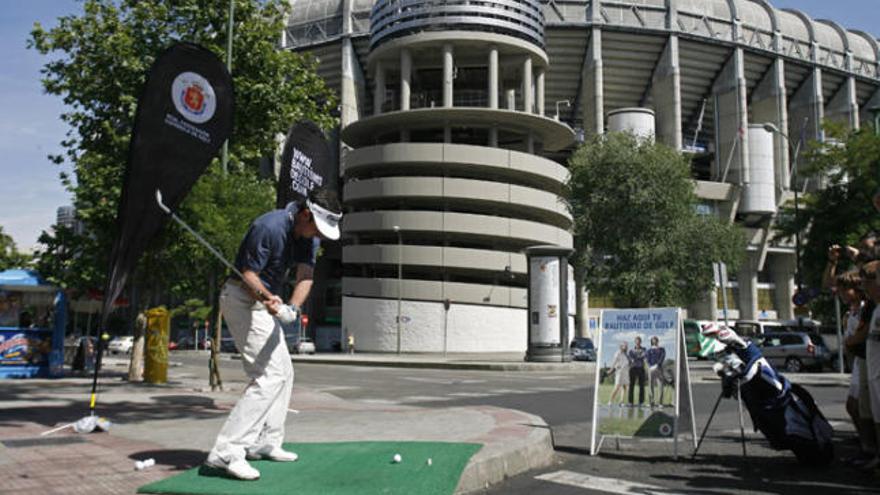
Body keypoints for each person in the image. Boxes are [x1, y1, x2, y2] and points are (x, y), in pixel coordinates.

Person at [205, 187, 342, 481]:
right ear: (306, 214)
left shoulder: (308, 236)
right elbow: (247, 277)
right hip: (240, 299)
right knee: (267, 376)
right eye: (317, 228)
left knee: (285, 372)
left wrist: (292, 307)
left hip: (265, 303)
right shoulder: (269, 226)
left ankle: (266, 442)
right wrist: (269, 298)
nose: (318, 235)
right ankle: (226, 452)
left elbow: (306, 276)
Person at [859, 260, 880, 470]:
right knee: (876, 417)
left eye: (868, 283)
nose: (864, 288)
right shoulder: (875, 309)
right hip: (874, 373)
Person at [646, 336, 667, 407]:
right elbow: (647, 359)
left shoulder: (662, 349)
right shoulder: (649, 350)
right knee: (650, 385)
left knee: (660, 385)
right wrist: (650, 366)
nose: (654, 341)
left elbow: (662, 357)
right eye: (653, 340)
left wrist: (657, 365)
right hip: (651, 369)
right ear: (651, 342)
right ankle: (651, 402)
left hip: (659, 368)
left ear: (657, 341)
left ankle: (660, 403)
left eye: (655, 340)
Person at [627, 336, 647, 406]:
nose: (638, 342)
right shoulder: (631, 350)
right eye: (636, 341)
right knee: (631, 385)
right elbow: (631, 359)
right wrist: (638, 357)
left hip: (641, 368)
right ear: (635, 342)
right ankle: (630, 402)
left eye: (639, 341)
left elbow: (644, 356)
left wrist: (636, 357)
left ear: (640, 342)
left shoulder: (644, 349)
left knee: (642, 386)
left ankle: (641, 402)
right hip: (633, 369)